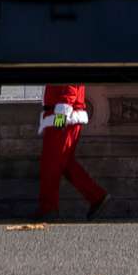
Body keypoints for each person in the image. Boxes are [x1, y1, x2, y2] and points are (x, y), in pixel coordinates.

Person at [36, 82, 109, 219]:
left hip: (61, 119)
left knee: (51, 165)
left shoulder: (63, 60)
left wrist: (60, 120)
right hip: (61, 117)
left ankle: (48, 209)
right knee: (65, 164)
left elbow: (70, 87)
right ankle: (96, 196)